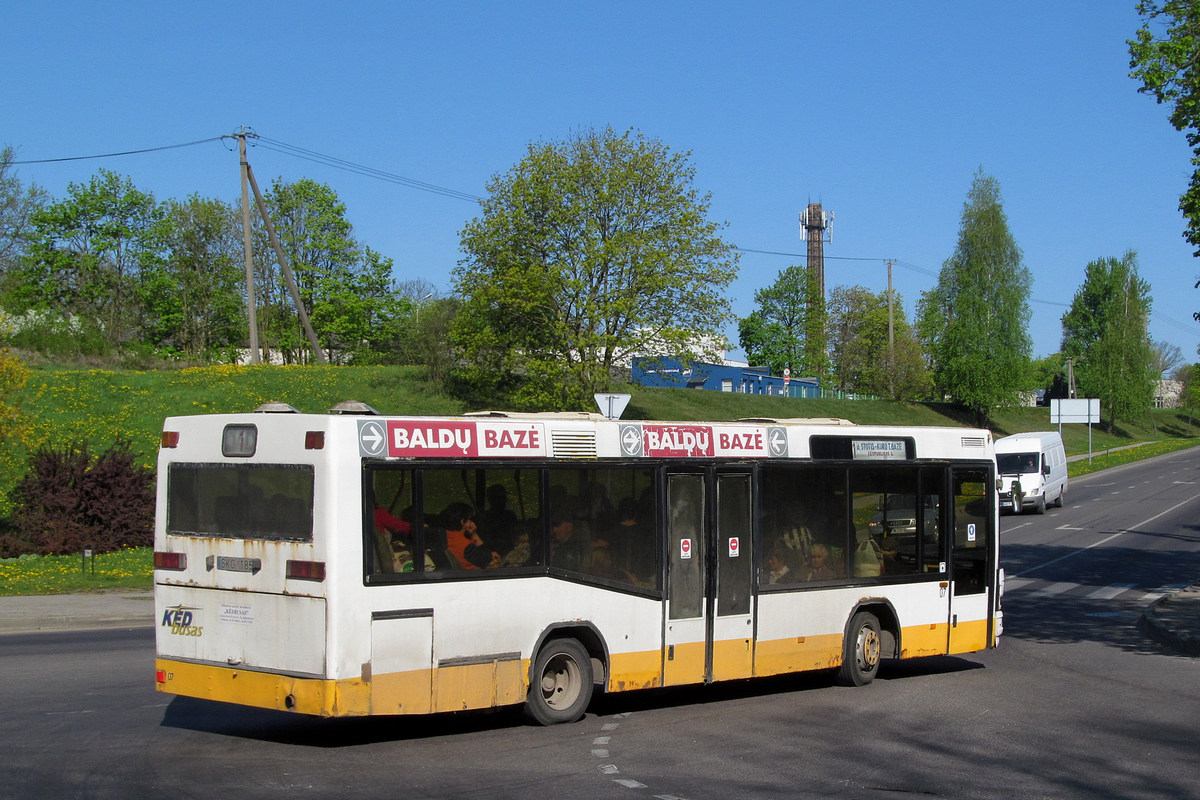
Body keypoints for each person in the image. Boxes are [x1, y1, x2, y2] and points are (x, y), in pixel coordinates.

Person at [442, 503, 501, 570]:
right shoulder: (467, 546)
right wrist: (474, 535)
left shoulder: (445, 535)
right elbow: (489, 561)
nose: (472, 521)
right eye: (470, 518)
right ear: (463, 522)